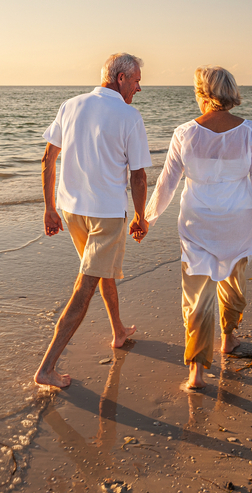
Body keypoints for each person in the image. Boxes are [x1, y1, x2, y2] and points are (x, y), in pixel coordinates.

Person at [145, 66, 252, 390]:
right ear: (230, 92)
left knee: (197, 297)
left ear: (203, 94)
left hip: (196, 223)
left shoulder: (184, 134)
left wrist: (146, 219)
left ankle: (197, 372)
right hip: (238, 224)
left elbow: (166, 187)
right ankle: (228, 339)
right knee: (233, 284)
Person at [33, 53, 153, 389]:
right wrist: (141, 216)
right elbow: (139, 176)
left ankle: (117, 330)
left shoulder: (70, 105)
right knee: (86, 285)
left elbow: (47, 159)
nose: (139, 87)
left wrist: (50, 208)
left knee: (102, 271)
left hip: (72, 211)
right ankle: (47, 367)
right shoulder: (129, 116)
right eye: (137, 80)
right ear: (121, 79)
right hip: (106, 215)